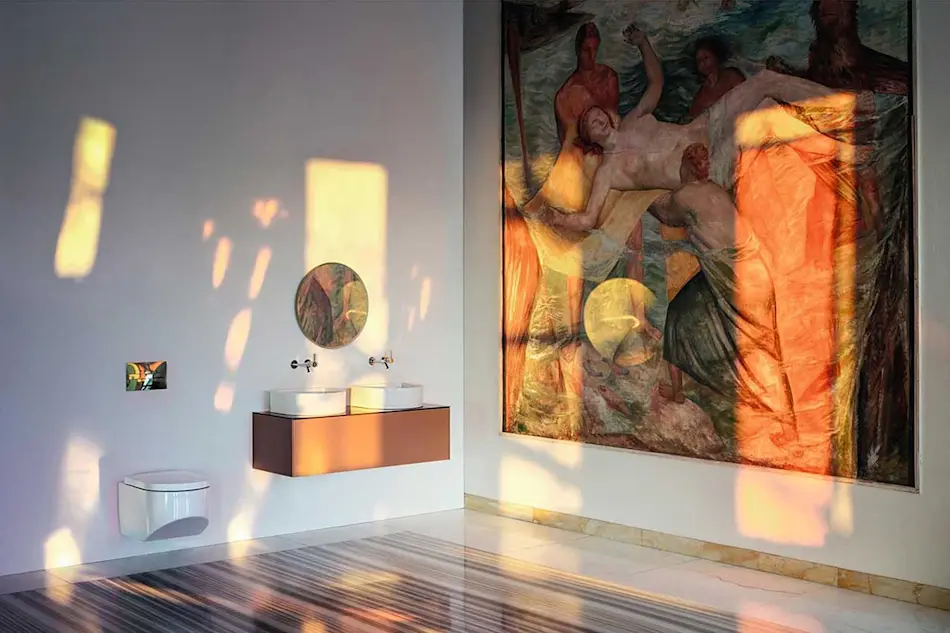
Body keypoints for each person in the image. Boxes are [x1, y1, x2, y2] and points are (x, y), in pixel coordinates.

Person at [646, 143, 799, 449]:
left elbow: (663, 212)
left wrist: (639, 187)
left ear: (685, 167)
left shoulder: (688, 195)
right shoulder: (713, 188)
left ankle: (790, 428)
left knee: (764, 348)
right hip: (739, 271)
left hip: (739, 277)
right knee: (679, 312)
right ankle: (677, 390)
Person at [684, 35, 746, 123]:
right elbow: (690, 119)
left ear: (716, 57)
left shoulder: (731, 76)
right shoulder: (700, 95)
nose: (703, 63)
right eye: (699, 61)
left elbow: (748, 97)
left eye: (706, 57)